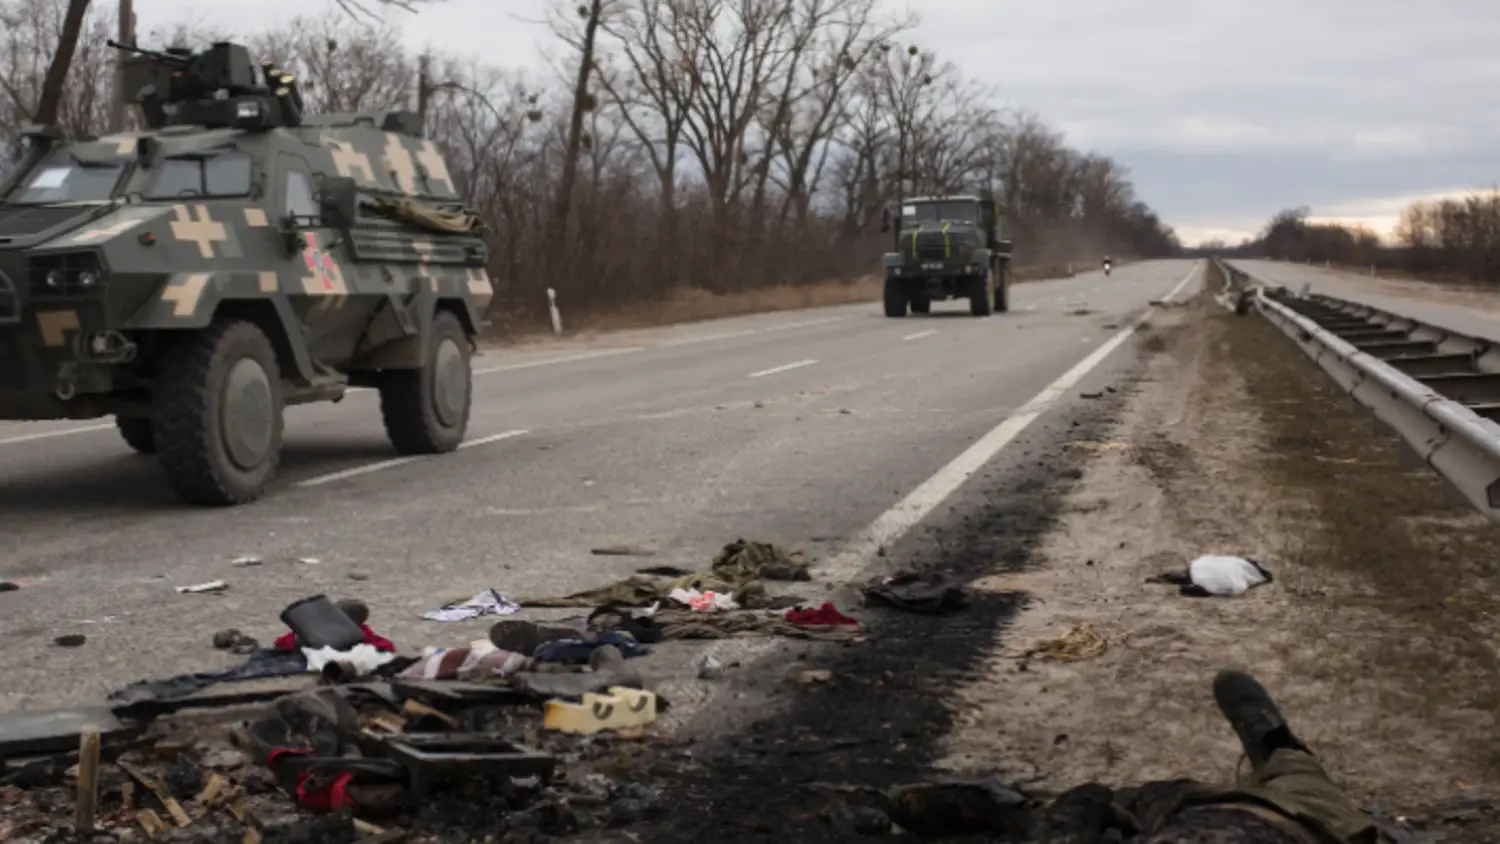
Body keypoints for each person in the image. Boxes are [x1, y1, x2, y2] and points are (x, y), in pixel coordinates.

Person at [1035, 669, 1378, 843]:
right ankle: (1279, 749)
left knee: (1149, 797)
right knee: (1304, 783)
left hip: (1183, 816)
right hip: (1296, 824)